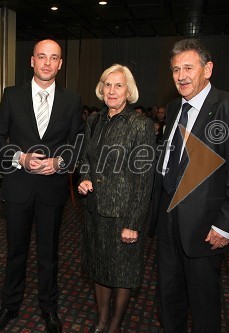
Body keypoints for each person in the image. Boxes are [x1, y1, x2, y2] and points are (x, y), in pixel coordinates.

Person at [150, 39, 229, 332]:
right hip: (168, 217)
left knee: (203, 302)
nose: (181, 75)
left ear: (207, 69)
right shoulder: (173, 108)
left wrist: (226, 225)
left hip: (206, 225)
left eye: (188, 67)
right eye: (175, 69)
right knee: (168, 294)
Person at [0, 39, 82, 333]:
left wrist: (59, 163)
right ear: (32, 61)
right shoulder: (12, 95)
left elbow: (77, 143)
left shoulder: (72, 100)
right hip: (18, 187)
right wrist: (20, 157)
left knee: (49, 254)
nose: (47, 63)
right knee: (15, 252)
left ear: (60, 64)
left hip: (52, 189)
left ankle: (49, 308)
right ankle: (9, 306)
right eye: (42, 57)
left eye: (54, 58)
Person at [77, 64, 154, 333]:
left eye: (118, 85)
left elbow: (144, 179)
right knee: (99, 268)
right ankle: (101, 321)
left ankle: (114, 327)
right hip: (94, 210)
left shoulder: (140, 125)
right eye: (108, 85)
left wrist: (133, 223)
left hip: (124, 213)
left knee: (122, 274)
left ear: (128, 91)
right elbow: (85, 158)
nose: (112, 90)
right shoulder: (94, 120)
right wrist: (84, 177)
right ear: (101, 88)